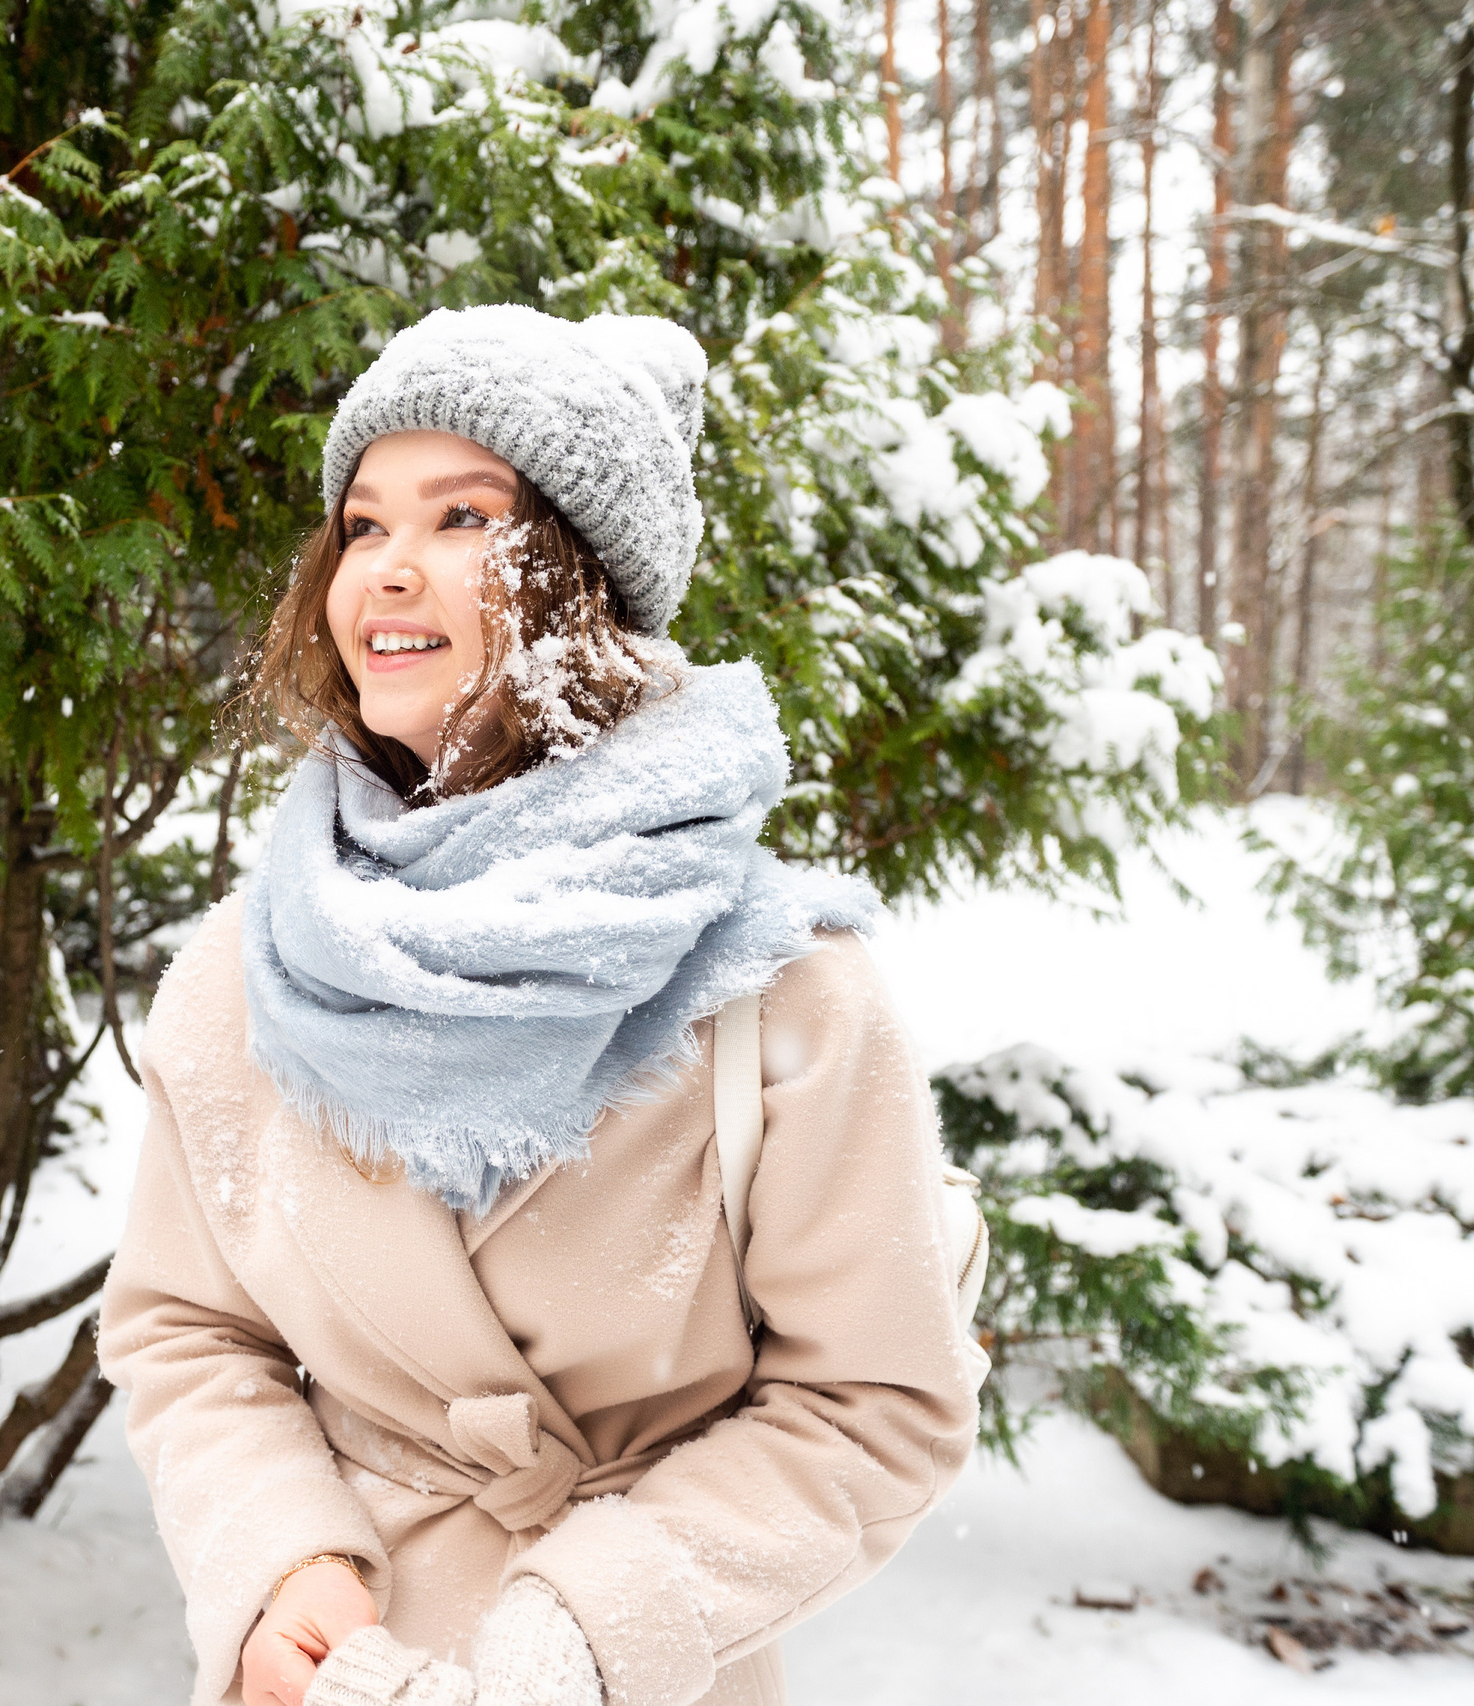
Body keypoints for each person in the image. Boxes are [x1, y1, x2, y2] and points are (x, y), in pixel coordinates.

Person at [97, 304, 987, 1706]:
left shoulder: (778, 987)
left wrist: (596, 1621)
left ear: (586, 575)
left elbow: (878, 1403)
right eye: (364, 525)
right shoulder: (249, 966)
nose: (388, 570)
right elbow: (189, 1330)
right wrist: (283, 1567)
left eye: (463, 518)